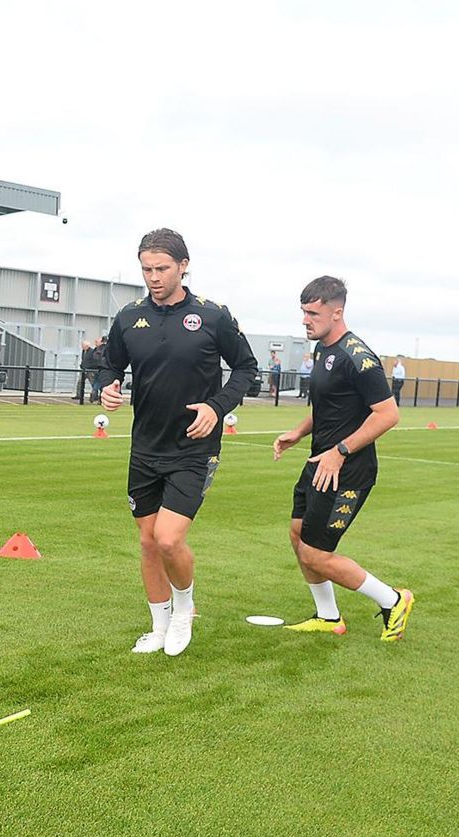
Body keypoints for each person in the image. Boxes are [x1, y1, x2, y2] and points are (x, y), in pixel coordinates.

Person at [97, 228, 259, 657]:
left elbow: (247, 369)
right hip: (145, 448)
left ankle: (184, 610)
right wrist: (107, 386)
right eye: (146, 269)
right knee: (148, 542)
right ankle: (158, 625)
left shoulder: (212, 316)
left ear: (183, 266)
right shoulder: (129, 317)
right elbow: (108, 364)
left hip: (193, 447)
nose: (153, 277)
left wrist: (216, 407)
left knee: (169, 539)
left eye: (162, 268)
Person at [273, 276, 412, 641]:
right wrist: (299, 432)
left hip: (348, 470)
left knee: (316, 554)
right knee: (297, 534)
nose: (305, 319)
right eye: (303, 311)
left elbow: (387, 414)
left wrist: (341, 451)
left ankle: (393, 600)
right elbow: (329, 405)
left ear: (337, 313)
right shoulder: (322, 349)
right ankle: (328, 616)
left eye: (313, 313)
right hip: (320, 463)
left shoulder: (358, 357)